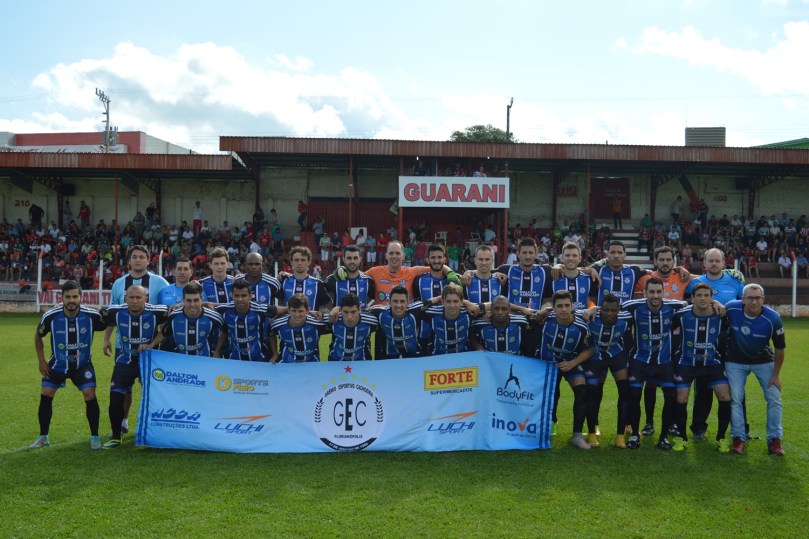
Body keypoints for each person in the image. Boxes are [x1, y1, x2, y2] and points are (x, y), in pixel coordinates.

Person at [30, 280, 106, 450]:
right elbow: (38, 335)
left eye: (75, 296)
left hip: (82, 365)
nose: (71, 300)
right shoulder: (50, 316)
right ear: (62, 298)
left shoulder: (91, 315)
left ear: (81, 297)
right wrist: (41, 361)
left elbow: (109, 319)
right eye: (68, 297)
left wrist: (96, 309)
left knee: (90, 395)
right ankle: (43, 437)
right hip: (57, 364)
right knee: (46, 393)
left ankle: (95, 437)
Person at [684, 247, 744, 439]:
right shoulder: (695, 283)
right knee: (703, 388)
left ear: (724, 263)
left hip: (729, 342)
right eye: (710, 260)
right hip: (702, 341)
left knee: (734, 388)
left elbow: (742, 307)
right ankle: (699, 428)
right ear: (704, 263)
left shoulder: (736, 282)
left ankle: (741, 428)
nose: (714, 264)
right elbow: (687, 306)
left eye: (718, 260)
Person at [109, 244, 169, 434]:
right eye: (134, 257)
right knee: (124, 388)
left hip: (150, 346)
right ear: (129, 261)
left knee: (151, 387)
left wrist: (155, 341)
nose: (138, 260)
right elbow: (112, 313)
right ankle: (124, 421)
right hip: (122, 345)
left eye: (142, 257)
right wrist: (106, 339)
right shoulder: (119, 284)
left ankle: (151, 424)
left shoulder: (160, 282)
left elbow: (167, 312)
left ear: (148, 260)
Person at [621, 278, 687, 450]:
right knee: (634, 396)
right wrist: (594, 309)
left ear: (664, 293)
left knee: (670, 397)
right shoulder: (632, 307)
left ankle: (663, 436)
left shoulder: (675, 307)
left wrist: (717, 304)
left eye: (659, 292)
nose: (655, 296)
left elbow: (694, 307)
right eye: (651, 292)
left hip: (664, 363)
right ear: (645, 293)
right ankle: (635, 435)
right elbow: (611, 308)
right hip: (640, 361)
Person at [100, 285, 168, 448]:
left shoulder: (157, 312)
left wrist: (151, 344)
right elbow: (99, 313)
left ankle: (155, 434)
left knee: (155, 398)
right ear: (125, 299)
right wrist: (106, 339)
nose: (135, 301)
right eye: (131, 297)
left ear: (146, 299)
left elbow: (169, 326)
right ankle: (116, 436)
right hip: (125, 361)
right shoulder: (116, 311)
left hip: (149, 362)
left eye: (139, 297)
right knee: (115, 397)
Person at [725, 284, 786, 456]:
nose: (754, 302)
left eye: (757, 298)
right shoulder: (731, 308)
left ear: (763, 299)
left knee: (774, 398)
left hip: (763, 361)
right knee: (735, 399)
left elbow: (780, 348)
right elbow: (718, 309)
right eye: (750, 298)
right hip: (735, 361)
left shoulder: (773, 318)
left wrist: (776, 375)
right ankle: (738, 438)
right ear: (743, 299)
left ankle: (774, 440)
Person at [535, 291, 594, 449]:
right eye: (559, 306)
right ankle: (549, 426)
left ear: (572, 306)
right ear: (553, 308)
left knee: (582, 392)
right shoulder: (544, 319)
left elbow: (589, 349)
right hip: (548, 364)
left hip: (570, 362)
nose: (564, 309)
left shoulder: (581, 326)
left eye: (567, 305)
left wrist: (573, 363)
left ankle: (577, 436)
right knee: (552, 395)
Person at [582, 293, 633, 449]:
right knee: (592, 393)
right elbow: (566, 311)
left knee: (625, 392)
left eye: (613, 310)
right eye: (605, 310)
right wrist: (593, 309)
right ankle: (592, 432)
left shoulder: (626, 317)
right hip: (595, 357)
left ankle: (620, 436)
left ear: (619, 310)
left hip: (616, 356)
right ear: (600, 309)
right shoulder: (590, 316)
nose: (609, 313)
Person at [151, 283, 225, 357]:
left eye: (196, 300)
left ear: (201, 299)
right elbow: (164, 333)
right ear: (183, 300)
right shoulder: (174, 316)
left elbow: (225, 331)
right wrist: (151, 345)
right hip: (182, 360)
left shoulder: (213, 317)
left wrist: (217, 350)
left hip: (203, 360)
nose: (192, 304)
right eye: (189, 301)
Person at [216, 279, 281, 362]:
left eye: (243, 296)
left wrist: (275, 354)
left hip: (259, 359)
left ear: (250, 296)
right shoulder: (225, 310)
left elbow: (287, 310)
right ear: (232, 296)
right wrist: (217, 351)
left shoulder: (261, 309)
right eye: (236, 295)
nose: (240, 299)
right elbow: (224, 331)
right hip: (234, 360)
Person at [368, 286, 427, 359]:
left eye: (402, 301)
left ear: (408, 303)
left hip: (414, 356)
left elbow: (430, 302)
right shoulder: (380, 313)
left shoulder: (415, 311)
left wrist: (439, 298)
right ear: (389, 302)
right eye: (395, 301)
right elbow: (360, 314)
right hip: (389, 357)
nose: (398, 305)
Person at [268, 293, 329, 363]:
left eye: (301, 311)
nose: (297, 315)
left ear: (307, 310)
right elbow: (270, 332)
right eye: (294, 311)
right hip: (286, 363)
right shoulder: (277, 324)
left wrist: (326, 311)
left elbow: (333, 318)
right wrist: (275, 353)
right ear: (288, 310)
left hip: (311, 364)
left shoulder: (317, 322)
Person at [470, 296, 534, 356]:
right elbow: (472, 339)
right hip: (490, 362)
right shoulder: (478, 325)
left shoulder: (522, 323)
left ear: (509, 310)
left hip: (516, 362)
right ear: (491, 309)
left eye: (504, 309)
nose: (500, 312)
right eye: (496, 309)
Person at [327, 293, 378, 361]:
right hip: (336, 361)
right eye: (345, 312)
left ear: (359, 309)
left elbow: (387, 311)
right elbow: (314, 317)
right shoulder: (332, 318)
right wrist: (314, 312)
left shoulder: (371, 321)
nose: (349, 317)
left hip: (363, 362)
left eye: (353, 312)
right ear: (340, 309)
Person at [280, 246, 332, 310]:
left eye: (303, 260)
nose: (299, 263)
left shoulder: (317, 284)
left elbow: (329, 304)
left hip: (310, 317)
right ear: (291, 262)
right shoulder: (283, 281)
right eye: (296, 260)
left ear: (309, 261)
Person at [552, 242, 598, 309]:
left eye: (574, 256)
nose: (571, 258)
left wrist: (592, 308)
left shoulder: (589, 280)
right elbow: (548, 301)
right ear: (562, 258)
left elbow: (591, 301)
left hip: (582, 316)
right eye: (567, 255)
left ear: (580, 259)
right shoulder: (553, 278)